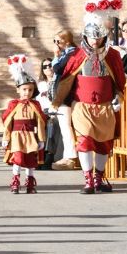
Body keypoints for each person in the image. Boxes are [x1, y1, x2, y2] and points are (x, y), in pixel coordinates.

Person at [52, 0, 126, 194]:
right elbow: (66, 79)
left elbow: (119, 79)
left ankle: (99, 178)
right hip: (82, 106)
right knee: (84, 141)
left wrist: (119, 96)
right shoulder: (76, 55)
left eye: (99, 37)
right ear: (85, 36)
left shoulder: (113, 55)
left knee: (103, 143)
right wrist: (58, 102)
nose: (96, 41)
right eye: (93, 37)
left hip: (104, 106)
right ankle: (88, 180)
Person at [1, 55, 47, 193]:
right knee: (17, 158)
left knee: (30, 160)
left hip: (30, 136)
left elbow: (40, 122)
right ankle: (15, 181)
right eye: (24, 89)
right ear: (18, 90)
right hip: (16, 137)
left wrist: (41, 139)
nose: (27, 92)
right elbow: (8, 122)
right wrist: (5, 138)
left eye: (30, 90)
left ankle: (30, 182)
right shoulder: (13, 104)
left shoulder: (36, 104)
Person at [50, 29, 78, 171]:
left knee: (66, 126)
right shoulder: (67, 53)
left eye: (58, 41)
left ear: (67, 41)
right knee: (65, 126)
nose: (55, 44)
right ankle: (69, 155)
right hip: (63, 93)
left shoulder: (71, 53)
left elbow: (58, 68)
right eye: (54, 41)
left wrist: (55, 55)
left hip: (66, 94)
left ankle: (70, 157)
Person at [36, 57, 60, 170]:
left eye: (50, 65)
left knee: (52, 124)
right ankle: (40, 156)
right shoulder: (40, 85)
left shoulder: (59, 81)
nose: (48, 68)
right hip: (43, 112)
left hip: (57, 112)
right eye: (44, 66)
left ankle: (49, 155)